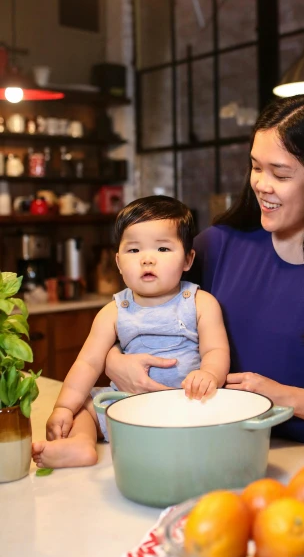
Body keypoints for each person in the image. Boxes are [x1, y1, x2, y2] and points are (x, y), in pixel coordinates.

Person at [106, 95, 304, 455]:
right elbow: (126, 316)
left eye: (281, 174)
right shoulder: (216, 247)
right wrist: (116, 361)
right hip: (215, 456)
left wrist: (279, 396)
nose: (261, 185)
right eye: (256, 167)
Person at [32, 196, 230, 469]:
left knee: (219, 408)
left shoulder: (199, 302)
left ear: (188, 259)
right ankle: (81, 444)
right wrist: (63, 407)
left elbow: (215, 350)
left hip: (185, 405)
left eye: (162, 248)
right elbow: (88, 363)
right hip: (126, 407)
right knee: (86, 408)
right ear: (118, 262)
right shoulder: (113, 311)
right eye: (134, 251)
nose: (147, 259)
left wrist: (209, 374)